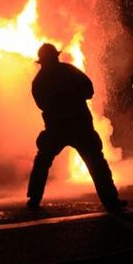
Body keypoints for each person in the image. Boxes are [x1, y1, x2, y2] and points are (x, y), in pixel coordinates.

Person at [26, 43, 127, 212]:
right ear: (56, 57)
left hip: (57, 129)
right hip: (80, 127)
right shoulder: (69, 71)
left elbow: (41, 104)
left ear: (42, 61)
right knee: (97, 164)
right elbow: (88, 91)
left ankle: (34, 200)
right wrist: (72, 96)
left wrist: (57, 102)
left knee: (42, 162)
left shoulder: (39, 81)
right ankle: (111, 201)